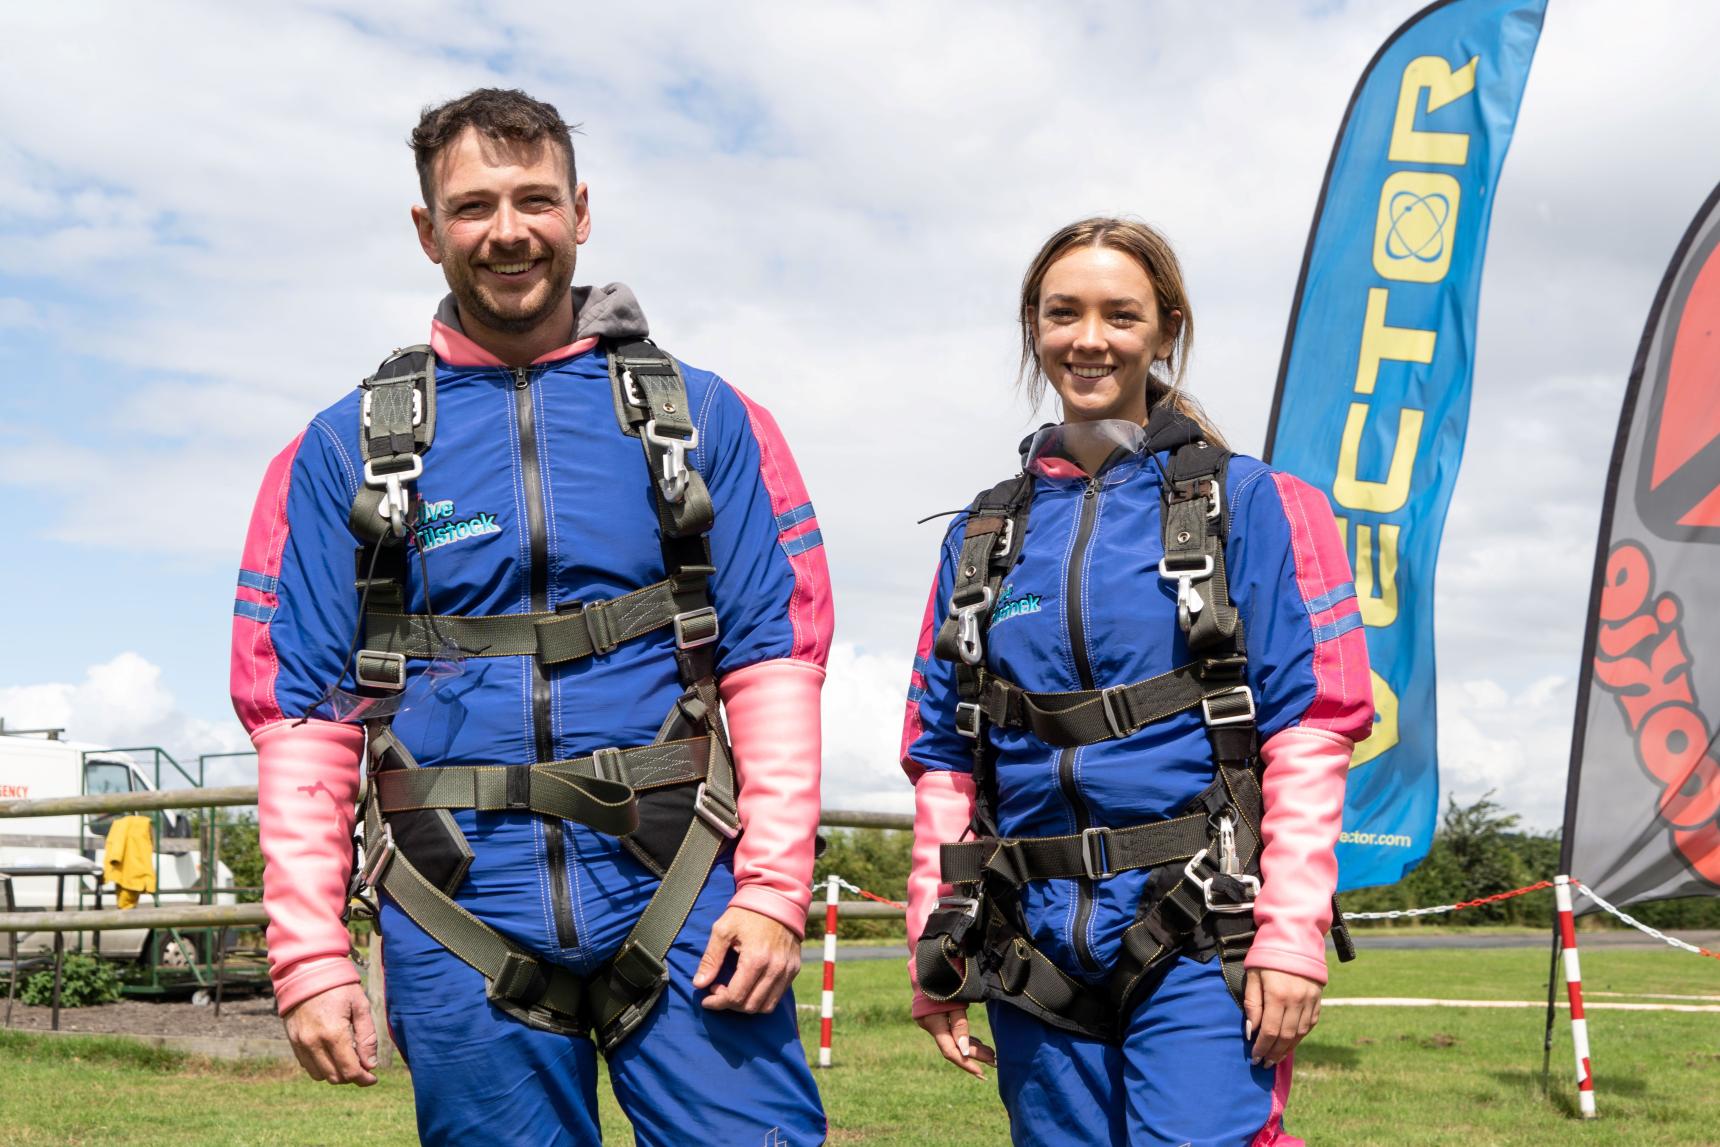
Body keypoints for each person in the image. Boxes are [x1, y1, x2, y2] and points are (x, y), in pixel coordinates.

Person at [230, 88, 830, 1146]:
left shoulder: (702, 420)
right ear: (427, 230)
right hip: (455, 897)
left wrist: (778, 889)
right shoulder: (343, 453)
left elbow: (777, 659)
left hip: (685, 887)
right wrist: (310, 953)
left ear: (580, 212)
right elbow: (299, 714)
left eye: (533, 200)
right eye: (471, 207)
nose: (507, 231)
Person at [900, 217, 1373, 1146]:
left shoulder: (1260, 506)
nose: (1089, 338)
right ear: (1033, 328)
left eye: (1120, 315)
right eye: (1062, 312)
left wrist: (1290, 932)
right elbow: (945, 750)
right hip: (1028, 939)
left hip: (1199, 932)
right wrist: (936, 929)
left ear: (1166, 328)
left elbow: (1314, 727)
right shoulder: (981, 537)